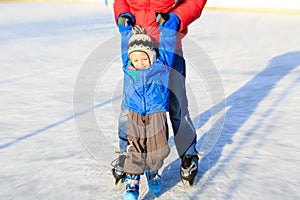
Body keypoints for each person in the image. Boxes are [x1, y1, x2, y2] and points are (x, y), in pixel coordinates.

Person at [111, 0, 207, 186]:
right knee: (129, 108)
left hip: (169, 45)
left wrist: (177, 18)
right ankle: (126, 152)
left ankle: (188, 155)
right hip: (136, 50)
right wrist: (122, 15)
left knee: (177, 107)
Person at [119, 25, 177, 199]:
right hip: (135, 112)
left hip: (156, 111)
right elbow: (125, 48)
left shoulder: (161, 67)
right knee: (135, 146)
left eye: (144, 58)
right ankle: (132, 181)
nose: (140, 63)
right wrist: (125, 32)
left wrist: (168, 29)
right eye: (135, 60)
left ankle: (153, 171)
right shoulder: (128, 70)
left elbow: (168, 47)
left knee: (158, 147)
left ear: (151, 56)